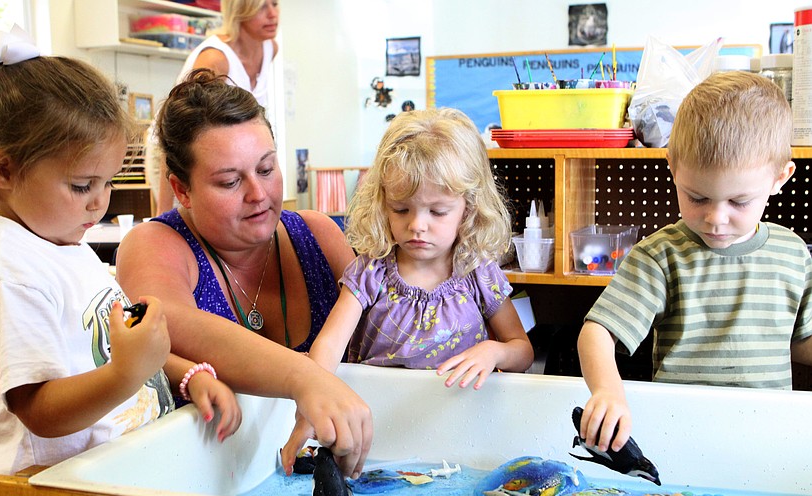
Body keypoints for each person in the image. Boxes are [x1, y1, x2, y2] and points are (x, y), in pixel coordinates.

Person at [0, 27, 241, 478]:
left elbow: (121, 348)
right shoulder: (8, 273)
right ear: (4, 170)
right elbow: (40, 411)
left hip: (121, 475)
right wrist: (125, 376)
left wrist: (188, 374)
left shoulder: (61, 241)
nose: (100, 202)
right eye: (81, 185)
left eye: (108, 182)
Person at [116, 70, 371, 478]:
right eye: (230, 181)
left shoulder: (319, 235)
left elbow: (387, 332)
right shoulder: (155, 244)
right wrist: (306, 378)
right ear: (182, 190)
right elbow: (167, 323)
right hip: (207, 483)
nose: (258, 194)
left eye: (267, 169)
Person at [577, 71, 812, 454]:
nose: (716, 218)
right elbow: (598, 333)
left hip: (767, 440)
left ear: (779, 178)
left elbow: (801, 341)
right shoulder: (660, 256)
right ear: (672, 167)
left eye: (739, 202)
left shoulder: (793, 253)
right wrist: (608, 391)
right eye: (697, 197)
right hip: (678, 434)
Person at [308, 108, 534, 389]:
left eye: (438, 212)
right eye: (401, 209)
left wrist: (495, 351)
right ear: (383, 203)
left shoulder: (478, 273)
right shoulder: (370, 273)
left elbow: (523, 352)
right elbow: (329, 346)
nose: (417, 225)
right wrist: (313, 392)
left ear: (469, 209)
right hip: (379, 414)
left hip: (459, 417)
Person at [156, 0, 280, 212]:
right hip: (173, 150)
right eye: (261, 6)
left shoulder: (270, 48)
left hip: (224, 156)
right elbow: (179, 134)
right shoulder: (216, 58)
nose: (272, 14)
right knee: (181, 224)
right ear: (239, 11)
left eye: (275, 4)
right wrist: (161, 215)